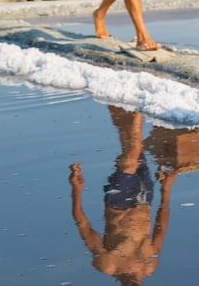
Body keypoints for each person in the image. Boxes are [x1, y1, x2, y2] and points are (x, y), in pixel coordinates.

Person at [69, 106, 178, 284]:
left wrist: (76, 189)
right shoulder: (149, 266)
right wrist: (166, 190)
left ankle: (137, 104)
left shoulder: (107, 265)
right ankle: (119, 104)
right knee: (133, 149)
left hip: (119, 202)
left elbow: (82, 224)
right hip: (145, 199)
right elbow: (160, 228)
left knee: (131, 154)